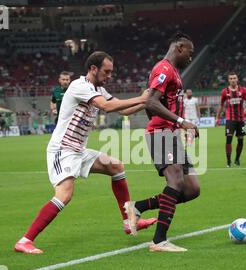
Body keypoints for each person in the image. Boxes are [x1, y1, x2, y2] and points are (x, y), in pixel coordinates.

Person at [14, 51, 155, 254]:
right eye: (106, 72)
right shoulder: (79, 86)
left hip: (78, 150)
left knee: (116, 166)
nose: (109, 76)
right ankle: (25, 240)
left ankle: (128, 222)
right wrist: (140, 97)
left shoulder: (98, 89)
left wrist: (145, 102)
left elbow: (122, 110)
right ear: (93, 69)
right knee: (64, 195)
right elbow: (106, 106)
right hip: (62, 150)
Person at [124, 32, 200, 253]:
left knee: (191, 189)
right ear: (179, 47)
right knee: (175, 181)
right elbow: (151, 102)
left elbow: (151, 103)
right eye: (190, 52)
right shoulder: (164, 69)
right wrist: (179, 121)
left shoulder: (172, 71)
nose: (191, 58)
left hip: (170, 134)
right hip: (162, 134)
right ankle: (159, 241)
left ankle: (137, 206)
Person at [215, 71, 246, 167]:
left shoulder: (243, 90)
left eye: (234, 78)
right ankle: (228, 161)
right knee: (229, 140)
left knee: (240, 140)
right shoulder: (224, 92)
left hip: (241, 119)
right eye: (231, 79)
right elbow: (221, 105)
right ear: (228, 80)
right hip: (230, 120)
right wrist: (217, 118)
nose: (233, 80)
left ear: (237, 79)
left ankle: (237, 159)